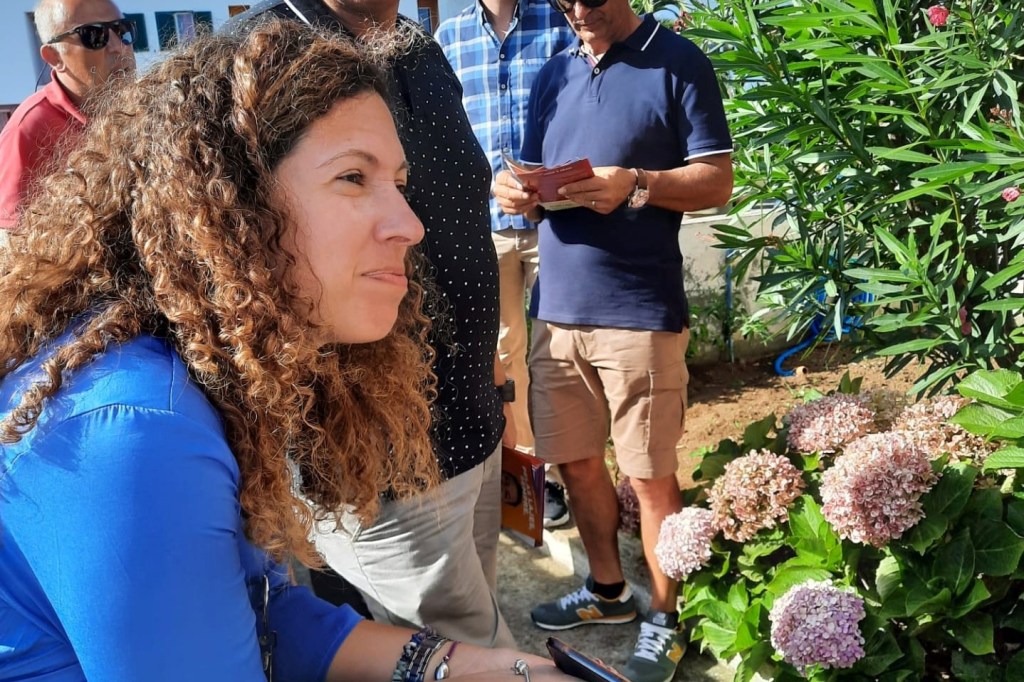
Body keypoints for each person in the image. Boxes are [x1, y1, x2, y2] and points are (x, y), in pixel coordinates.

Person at [0, 20, 573, 682]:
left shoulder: (211, 368)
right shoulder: (134, 430)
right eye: (353, 177)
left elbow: (254, 610)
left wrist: (465, 666)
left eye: (399, 181)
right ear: (231, 203)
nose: (410, 225)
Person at [227, 0, 516, 649]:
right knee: (468, 656)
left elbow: (461, 212)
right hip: (381, 463)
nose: (405, 222)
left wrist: (493, 373)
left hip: (473, 425)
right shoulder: (267, 48)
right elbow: (236, 263)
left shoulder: (418, 45)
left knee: (471, 627)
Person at [494, 0, 734, 678]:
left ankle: (666, 616)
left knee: (649, 477)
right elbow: (534, 173)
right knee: (574, 463)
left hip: (638, 310)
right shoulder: (555, 73)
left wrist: (637, 184)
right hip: (556, 311)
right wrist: (515, 189)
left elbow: (718, 180)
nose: (578, 12)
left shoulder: (678, 63)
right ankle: (607, 591)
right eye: (564, 1)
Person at [435, 0, 575, 529]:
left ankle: (573, 471)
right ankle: (531, 479)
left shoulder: (560, 23)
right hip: (483, 227)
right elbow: (444, 133)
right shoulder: (449, 39)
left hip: (554, 224)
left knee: (560, 353)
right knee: (501, 356)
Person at [0, 0, 136, 229]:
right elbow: (12, 240)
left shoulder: (144, 106)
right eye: (94, 35)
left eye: (122, 30)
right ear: (54, 57)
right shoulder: (29, 130)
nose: (118, 47)